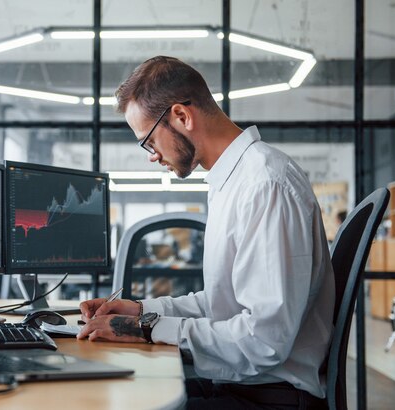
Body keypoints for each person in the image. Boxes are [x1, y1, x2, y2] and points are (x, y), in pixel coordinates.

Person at [77, 56, 334, 410]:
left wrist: (145, 329)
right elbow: (221, 305)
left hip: (272, 399)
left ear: (182, 116)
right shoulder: (233, 182)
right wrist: (140, 310)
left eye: (149, 141)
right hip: (242, 386)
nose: (152, 156)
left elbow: (265, 340)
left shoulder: (265, 184)